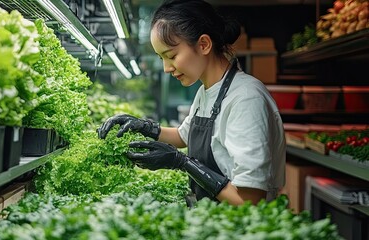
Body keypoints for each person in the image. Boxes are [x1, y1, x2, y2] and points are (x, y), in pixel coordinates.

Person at [98, 0, 285, 206]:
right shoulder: (207, 91)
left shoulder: (246, 99)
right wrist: (143, 127)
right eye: (161, 58)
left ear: (203, 44)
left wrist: (183, 162)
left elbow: (248, 200)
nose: (166, 68)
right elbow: (182, 136)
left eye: (171, 56)